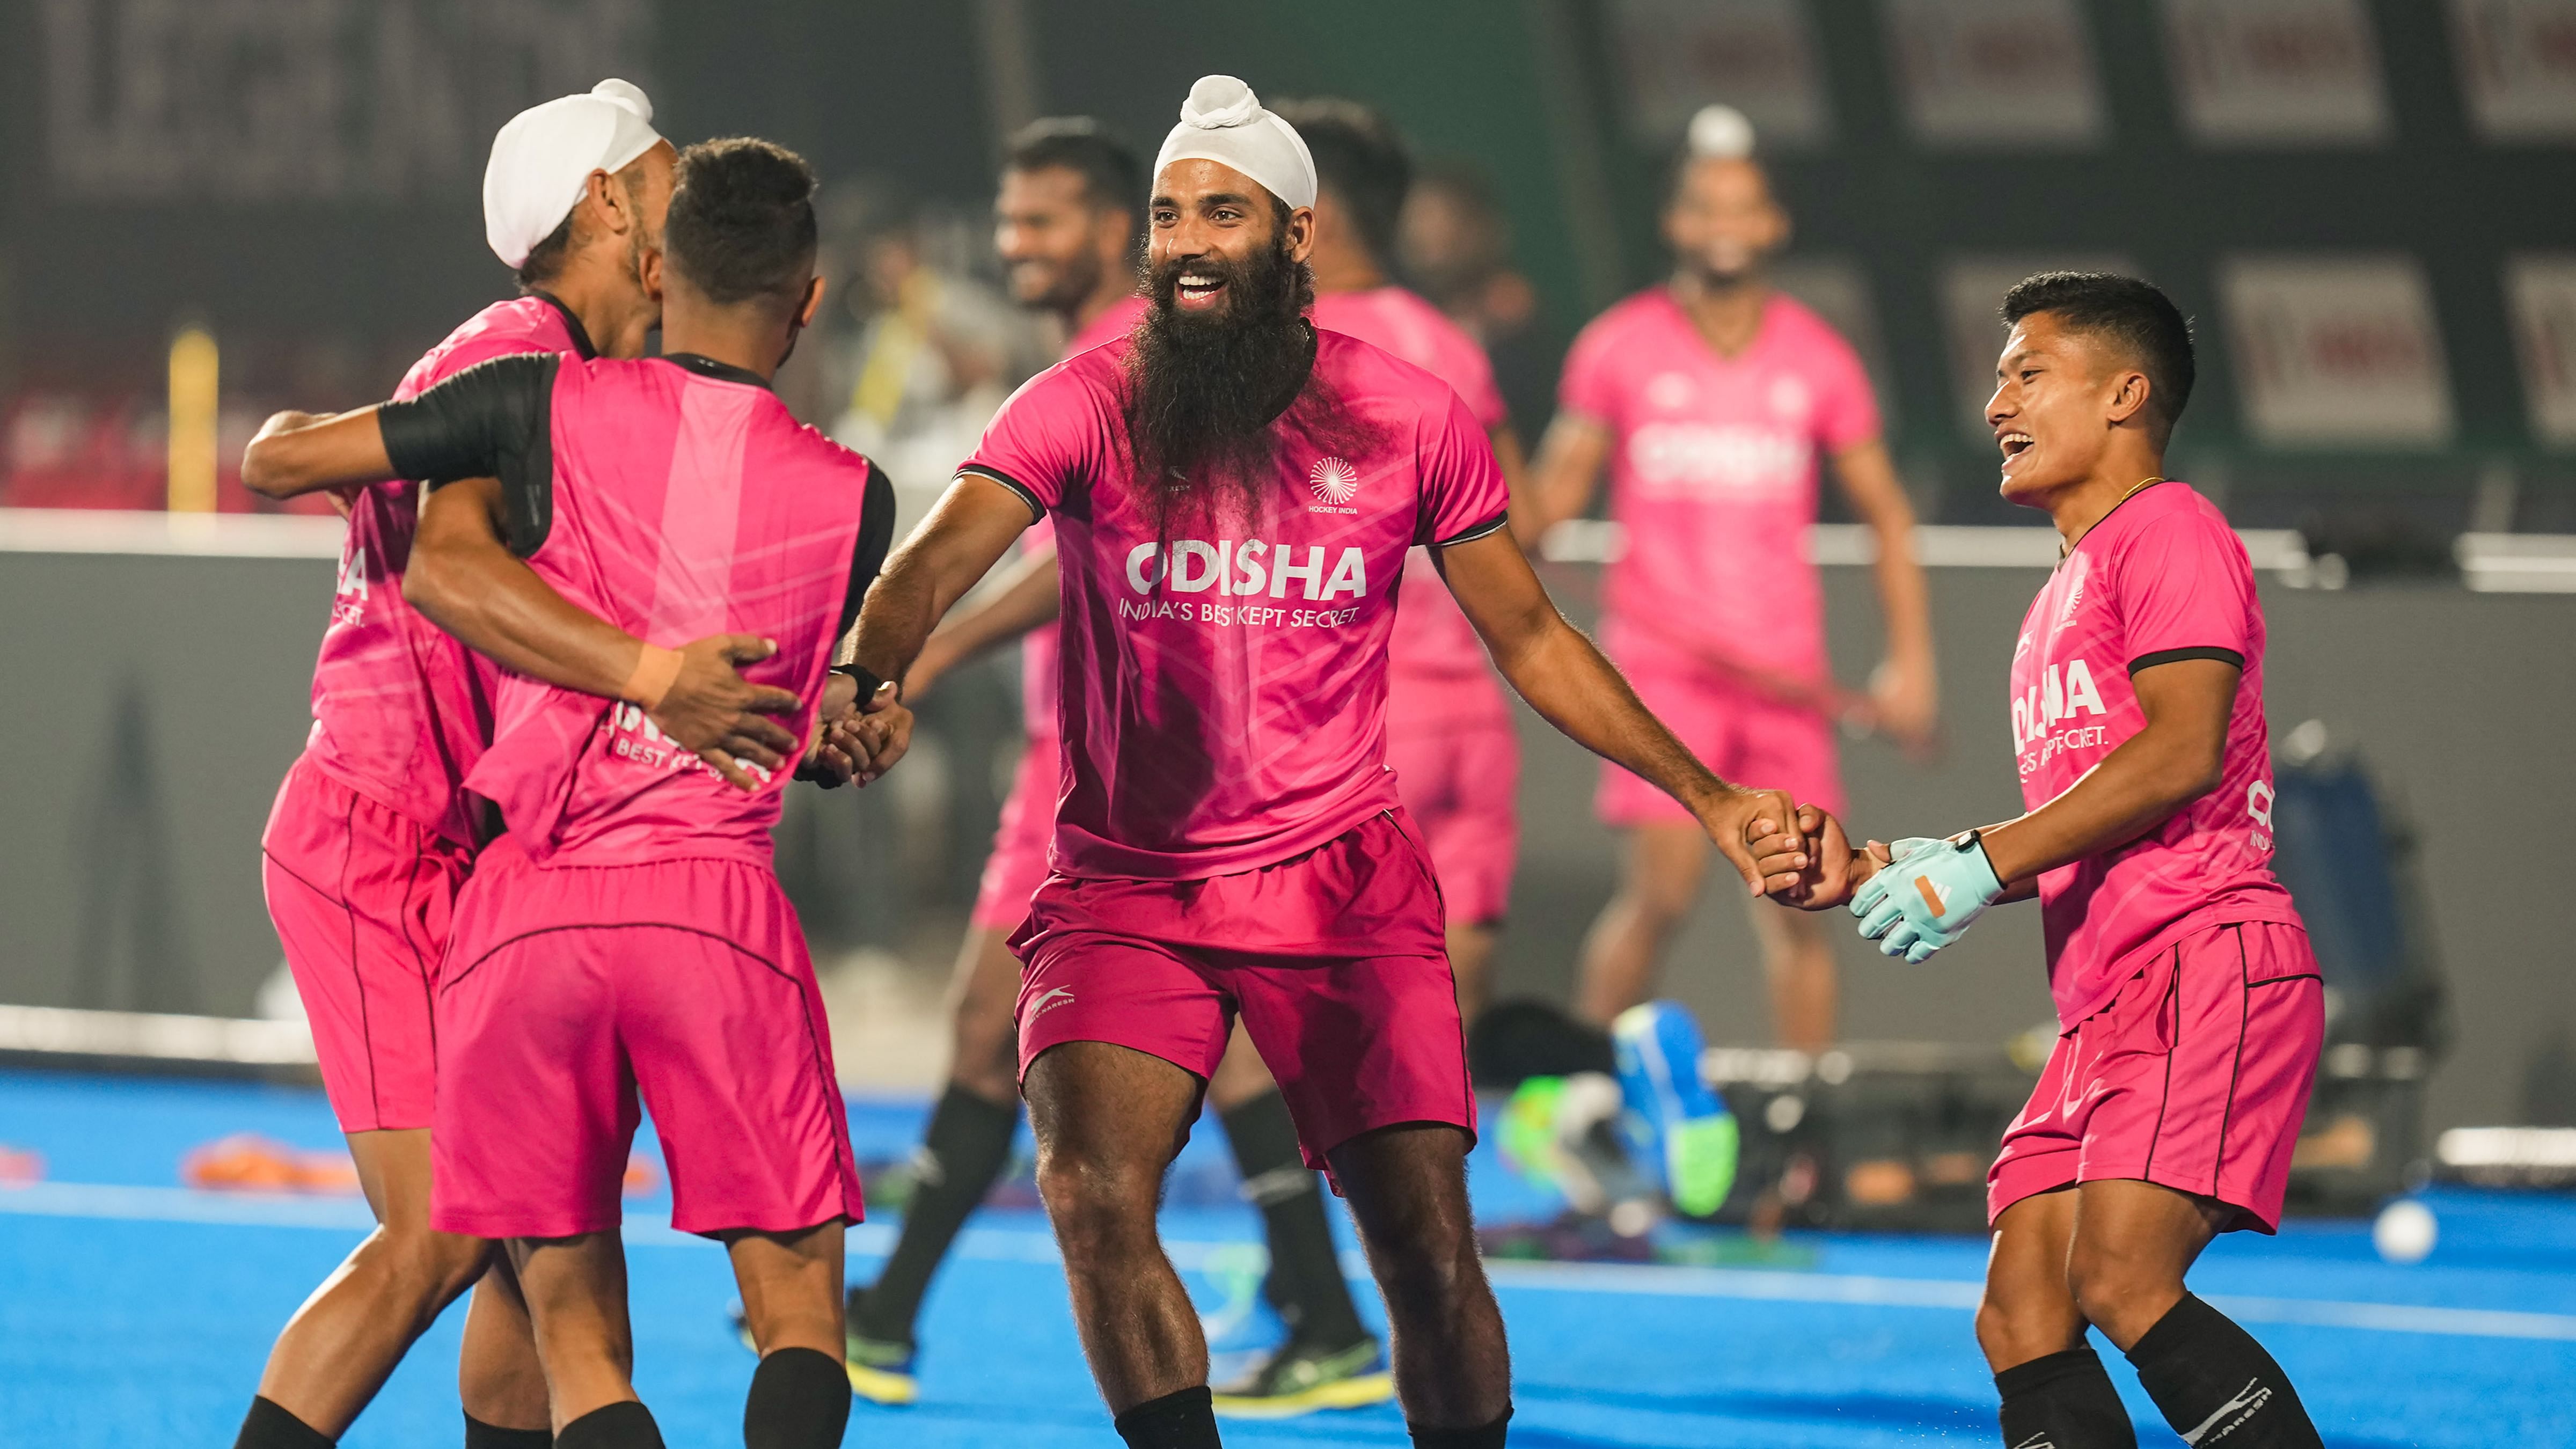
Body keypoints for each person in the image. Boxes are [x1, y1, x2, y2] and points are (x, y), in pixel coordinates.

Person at [838, 75, 1805, 1449]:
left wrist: (1710, 798)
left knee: (1424, 1254)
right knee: (1091, 1193)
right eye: (1168, 214)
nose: (1182, 241)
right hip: (1126, 887)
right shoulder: (1089, 397)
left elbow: (1533, 636)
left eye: (1220, 214)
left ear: (1296, 236)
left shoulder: (1412, 415)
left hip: (1341, 889)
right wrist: (871, 671)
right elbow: (938, 554)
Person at [241, 136, 896, 1449]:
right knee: (449, 1236)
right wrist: (666, 679)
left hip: (515, 876)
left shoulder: (579, 391)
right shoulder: (519, 357)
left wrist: (816, 715)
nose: (678, 182)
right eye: (660, 166)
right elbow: (414, 549)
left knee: (547, 1269)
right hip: (401, 836)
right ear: (616, 212)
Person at [835, 114, 1390, 1416]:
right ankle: (1321, 1304)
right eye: (1009, 220)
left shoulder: (1141, 367)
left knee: (992, 1030)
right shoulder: (1092, 363)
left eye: (1044, 221)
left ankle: (887, 1313)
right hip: (1100, 745)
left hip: (1123, 759)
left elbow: (1067, 568)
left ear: (1109, 226)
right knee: (1171, 1040)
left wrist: (927, 649)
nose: (1019, 243)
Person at [1754, 273, 2326, 1449]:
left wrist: (1973, 861)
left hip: (2205, 960)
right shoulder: (2060, 591)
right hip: (2105, 1004)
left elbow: (2179, 757)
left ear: (2126, 393)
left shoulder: (2170, 528)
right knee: (2023, 1317)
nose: (1995, 402)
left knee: (2120, 1278)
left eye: (2028, 372)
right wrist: (1884, 865)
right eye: (1998, 375)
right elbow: (2087, 819)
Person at [1528, 104, 1936, 1054]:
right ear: (1674, 222)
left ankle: (1804, 1132)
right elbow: (1549, 495)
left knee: (1807, 905)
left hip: (1784, 681)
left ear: (1772, 225)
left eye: (1743, 207)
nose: (1724, 224)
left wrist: (1908, 666)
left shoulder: (1819, 359)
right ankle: (1592, 1104)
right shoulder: (1617, 347)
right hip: (1662, 682)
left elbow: (1888, 514)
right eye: (1704, 206)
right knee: (1658, 899)